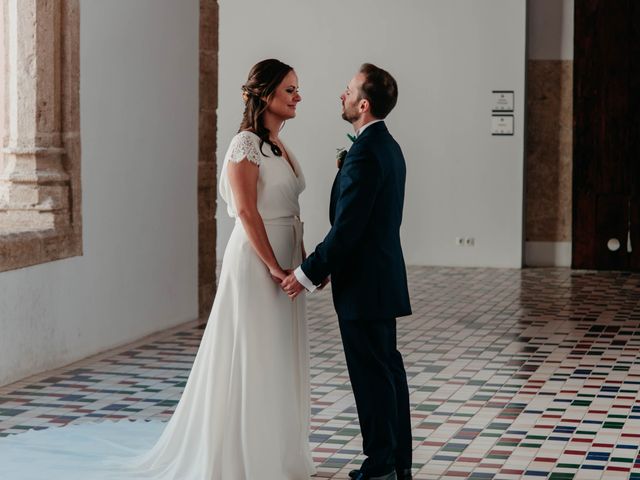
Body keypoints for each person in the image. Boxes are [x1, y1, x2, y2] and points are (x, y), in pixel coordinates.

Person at [0, 58, 316, 480]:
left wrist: (303, 259)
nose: (298, 97)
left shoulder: (281, 147)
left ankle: (275, 453)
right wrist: (275, 267)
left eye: (297, 89)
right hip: (258, 264)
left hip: (286, 259)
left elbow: (289, 209)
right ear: (266, 94)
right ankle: (243, 458)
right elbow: (245, 210)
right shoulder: (245, 144)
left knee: (276, 353)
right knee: (252, 352)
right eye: (289, 90)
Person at [282, 63, 413, 480]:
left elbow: (348, 229)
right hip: (378, 279)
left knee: (373, 379)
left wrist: (307, 272)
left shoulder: (366, 154)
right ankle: (396, 464)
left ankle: (379, 468)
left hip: (366, 285)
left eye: (348, 89)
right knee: (387, 373)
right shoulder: (386, 146)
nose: (342, 94)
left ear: (364, 103)